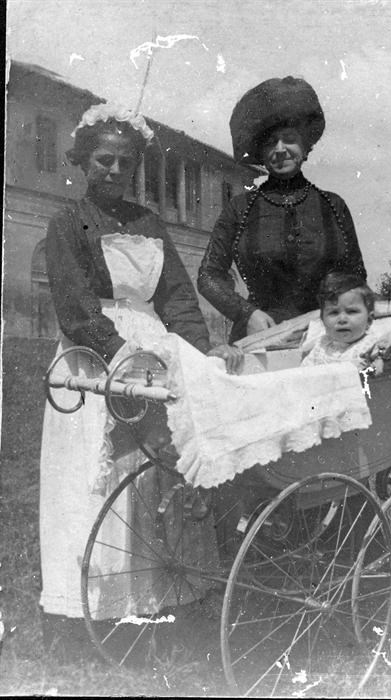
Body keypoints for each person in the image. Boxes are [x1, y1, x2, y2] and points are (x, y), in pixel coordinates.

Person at [39, 103, 242, 652]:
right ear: (83, 160)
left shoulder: (150, 224)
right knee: (103, 473)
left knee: (156, 468)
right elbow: (76, 307)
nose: (113, 170)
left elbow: (177, 298)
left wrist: (200, 355)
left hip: (154, 350)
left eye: (124, 162)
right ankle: (94, 605)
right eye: (103, 160)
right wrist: (123, 354)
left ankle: (162, 597)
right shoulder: (68, 223)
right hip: (95, 357)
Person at [197, 76, 367, 341]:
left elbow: (355, 278)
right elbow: (208, 276)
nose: (280, 150)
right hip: (258, 335)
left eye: (289, 139)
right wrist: (247, 313)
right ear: (261, 154)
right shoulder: (239, 209)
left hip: (324, 336)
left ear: (306, 146)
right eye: (270, 143)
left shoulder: (333, 206)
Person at [301, 272, 380, 370]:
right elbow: (304, 372)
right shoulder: (321, 345)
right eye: (334, 312)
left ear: (369, 320)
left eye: (351, 311)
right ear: (323, 320)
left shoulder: (371, 346)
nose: (342, 320)